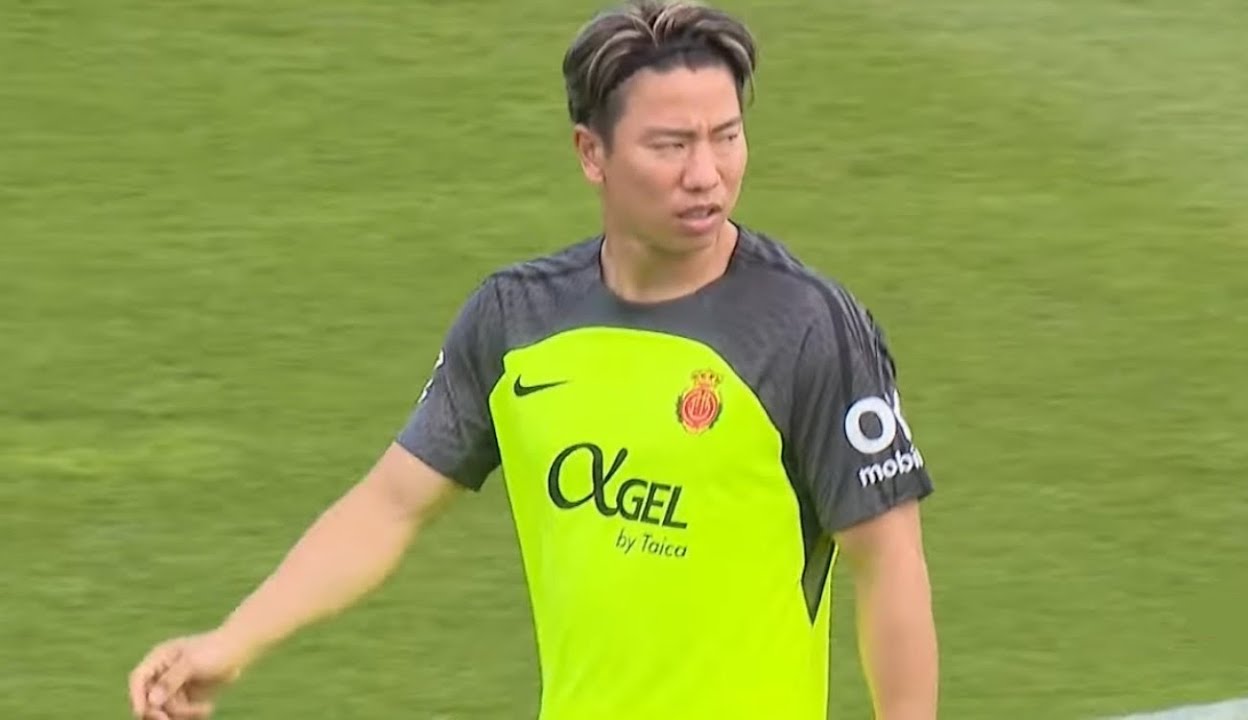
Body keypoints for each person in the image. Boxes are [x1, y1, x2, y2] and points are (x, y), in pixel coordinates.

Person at [127, 1, 939, 718]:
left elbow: (888, 560)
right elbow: (390, 505)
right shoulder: (517, 320)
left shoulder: (807, 328)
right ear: (592, 153)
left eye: (726, 137)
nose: (707, 174)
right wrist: (232, 642)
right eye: (670, 144)